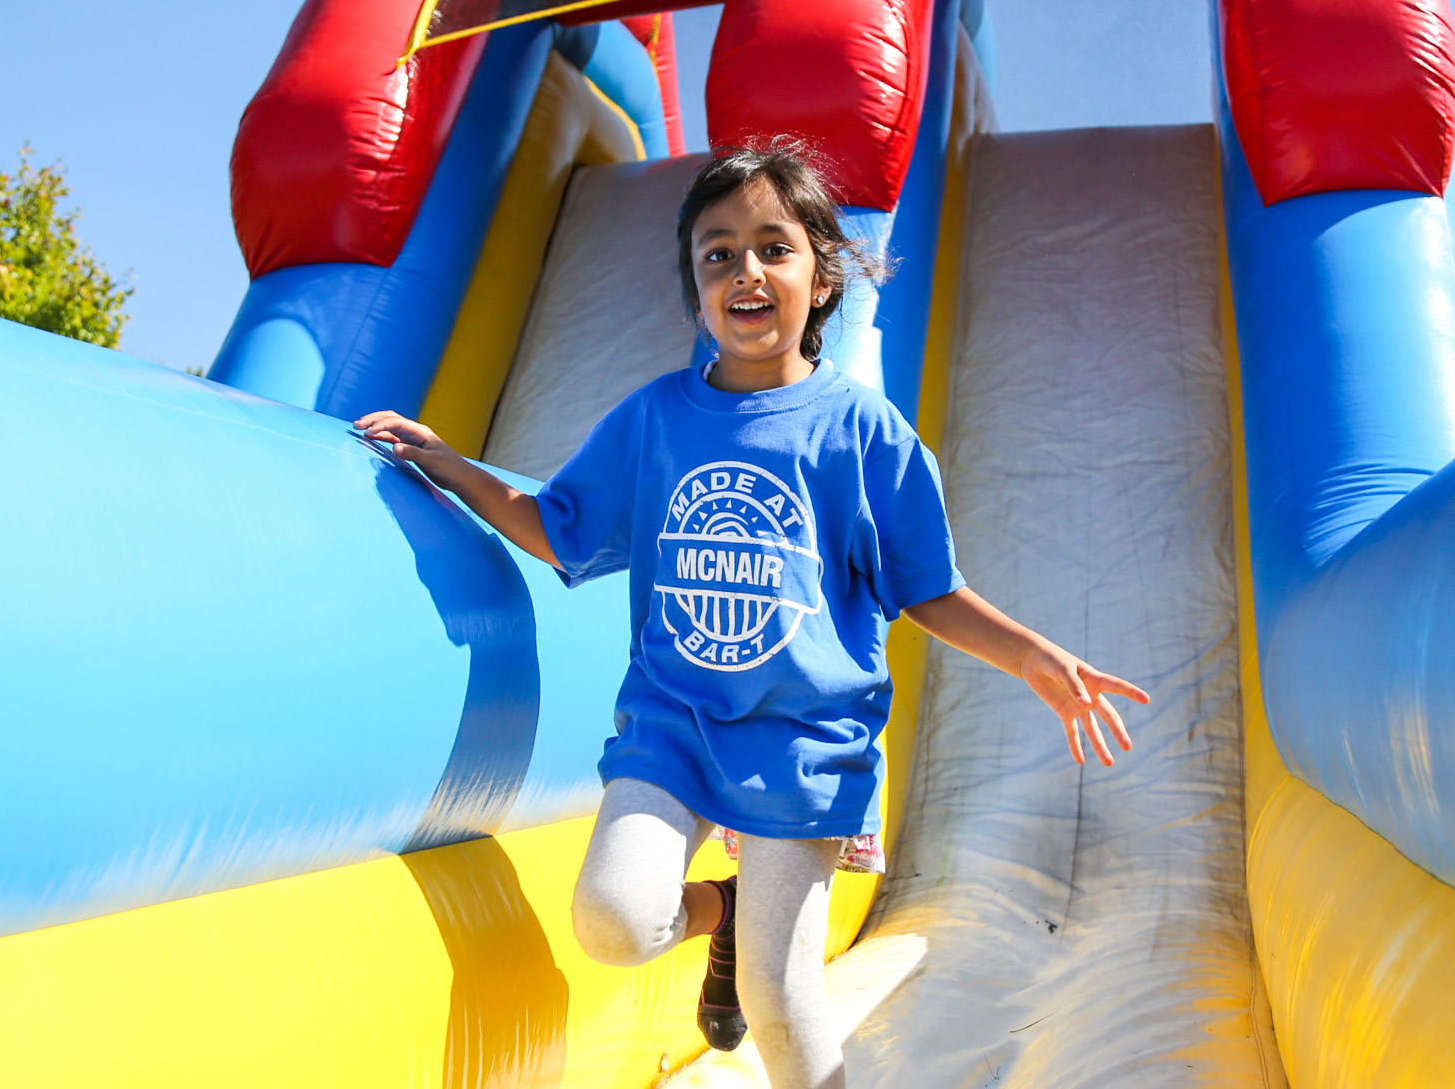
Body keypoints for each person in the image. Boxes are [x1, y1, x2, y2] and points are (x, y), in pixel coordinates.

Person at [354, 140, 1147, 1089]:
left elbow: (927, 588)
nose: (746, 270)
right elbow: (557, 530)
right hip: (673, 726)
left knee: (779, 1001)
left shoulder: (862, 432)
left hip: (804, 741)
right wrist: (447, 461)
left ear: (820, 277)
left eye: (774, 247)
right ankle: (715, 913)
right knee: (613, 920)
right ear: (696, 291)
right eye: (717, 253)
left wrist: (1033, 658)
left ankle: (756, 953)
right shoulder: (654, 419)